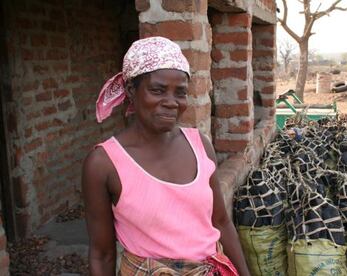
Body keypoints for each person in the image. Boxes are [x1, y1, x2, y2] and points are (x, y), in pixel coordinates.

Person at [82, 36, 250, 276]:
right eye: (157, 90)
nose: (171, 102)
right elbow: (102, 254)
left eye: (180, 93)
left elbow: (221, 222)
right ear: (131, 90)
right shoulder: (104, 163)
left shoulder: (199, 145)